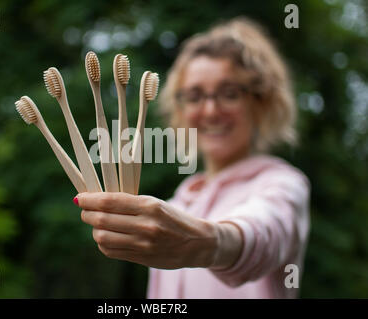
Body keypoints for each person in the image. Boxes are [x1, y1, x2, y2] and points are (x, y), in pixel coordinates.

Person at [74, 17, 310, 299]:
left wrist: (208, 243)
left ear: (261, 101)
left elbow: (264, 232)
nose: (210, 110)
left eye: (229, 93)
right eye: (195, 96)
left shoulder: (282, 184)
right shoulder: (177, 202)